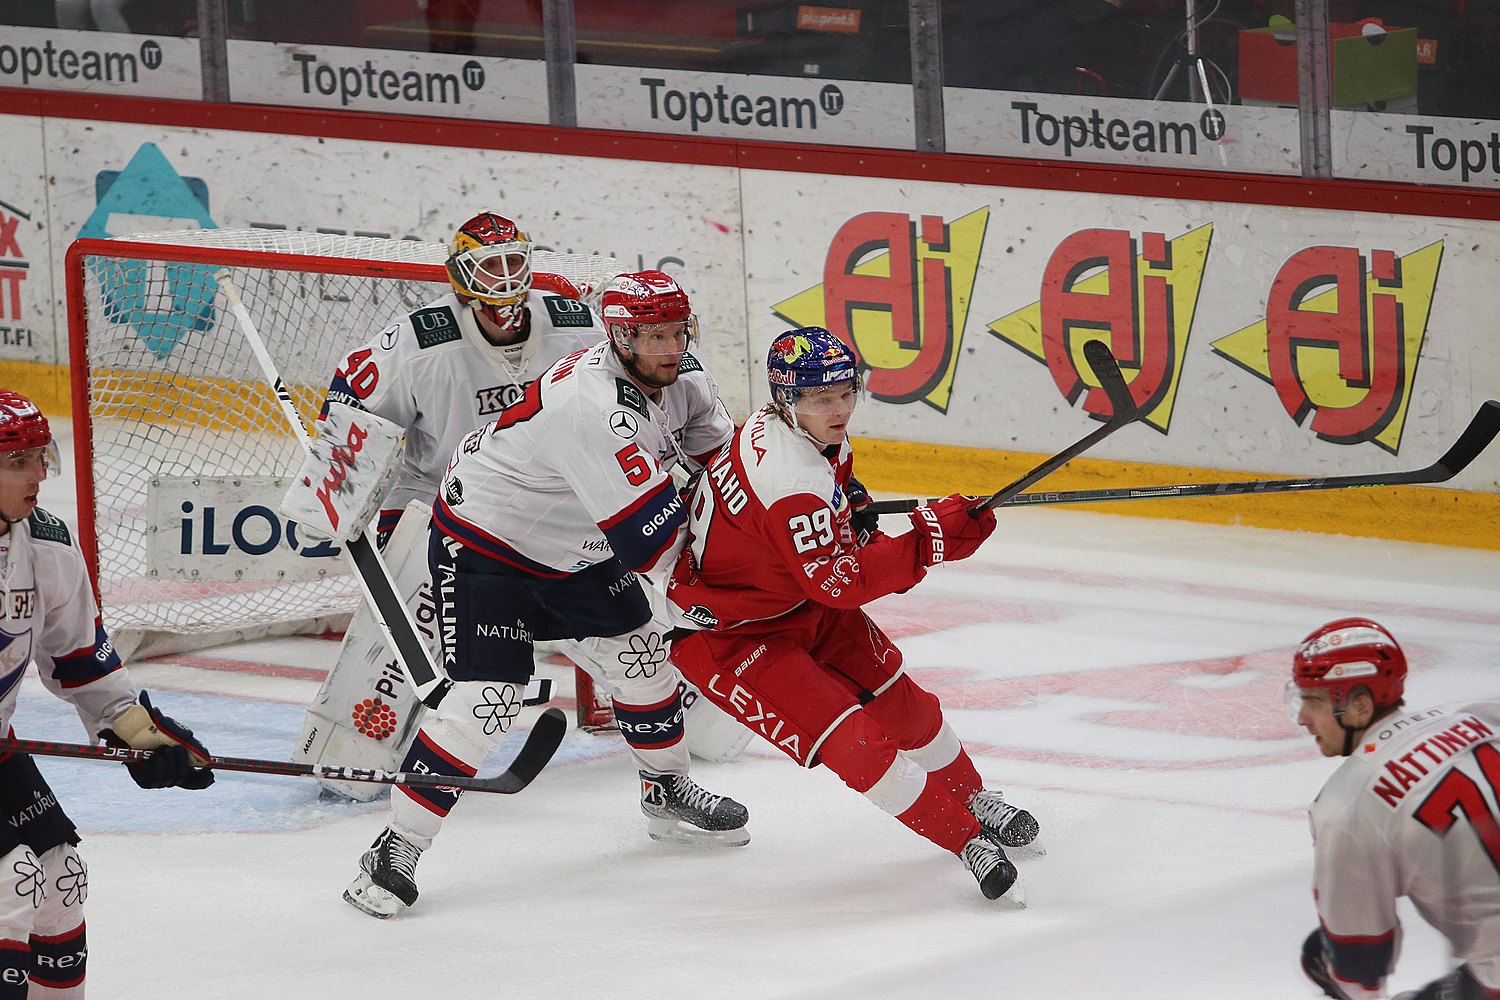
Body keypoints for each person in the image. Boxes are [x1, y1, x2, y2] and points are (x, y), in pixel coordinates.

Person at [343, 270, 750, 919]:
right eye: (652, 335)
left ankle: (666, 789)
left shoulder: (688, 382)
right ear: (619, 337)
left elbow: (728, 477)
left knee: (642, 658)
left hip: (575, 544)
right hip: (487, 542)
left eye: (677, 331)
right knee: (488, 699)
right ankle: (395, 848)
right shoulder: (591, 408)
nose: (669, 347)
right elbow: (653, 545)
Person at [663, 326, 1039, 904]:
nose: (839, 410)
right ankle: (965, 840)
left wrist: (854, 499)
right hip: (732, 636)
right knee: (856, 742)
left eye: (846, 392)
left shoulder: (798, 434)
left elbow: (827, 511)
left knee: (903, 702)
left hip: (794, 601)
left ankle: (970, 796)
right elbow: (844, 581)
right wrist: (930, 540)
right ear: (789, 401)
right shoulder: (791, 483)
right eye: (822, 399)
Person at [292, 211, 609, 800]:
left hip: (546, 504)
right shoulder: (420, 341)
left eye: (515, 262)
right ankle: (354, 751)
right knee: (413, 619)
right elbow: (350, 404)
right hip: (438, 502)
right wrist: (343, 492)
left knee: (629, 604)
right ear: (460, 277)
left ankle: (656, 706)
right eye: (489, 267)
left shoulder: (573, 326)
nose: (506, 278)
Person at [0, 391, 216, 994]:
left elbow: (79, 662)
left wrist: (136, 734)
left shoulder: (44, 545)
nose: (38, 474)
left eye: (39, 458)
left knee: (59, 877)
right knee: (10, 881)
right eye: (18, 462)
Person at [1289, 617, 1500, 1000]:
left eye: (1313, 701)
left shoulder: (1347, 807)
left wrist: (1333, 961)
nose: (1303, 718)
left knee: (1321, 958)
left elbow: (1362, 972)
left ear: (1360, 706)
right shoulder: (1480, 714)